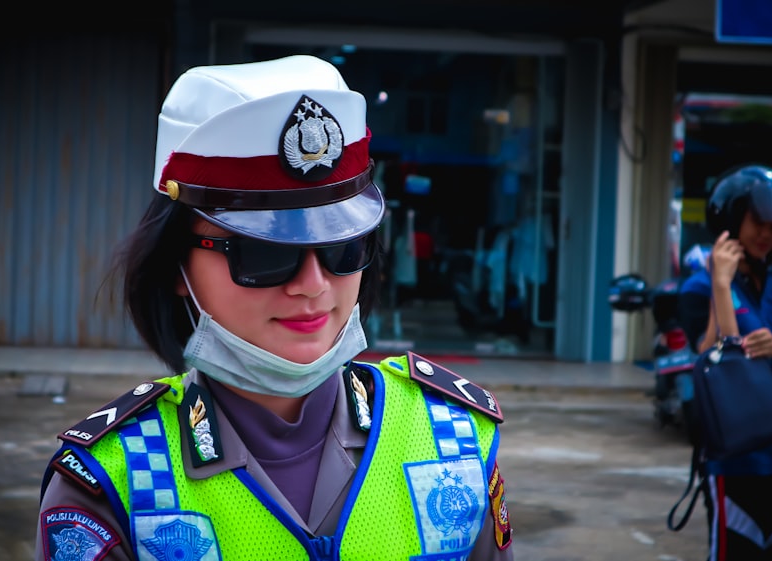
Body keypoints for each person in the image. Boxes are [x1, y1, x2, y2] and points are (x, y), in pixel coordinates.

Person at [34, 55, 513, 561]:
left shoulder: (454, 442)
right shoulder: (112, 486)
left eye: (342, 248)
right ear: (177, 266)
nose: (313, 285)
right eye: (263, 253)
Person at [678, 164, 772, 560]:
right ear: (731, 217)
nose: (766, 235)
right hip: (731, 455)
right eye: (758, 222)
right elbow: (715, 355)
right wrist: (721, 285)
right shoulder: (699, 284)